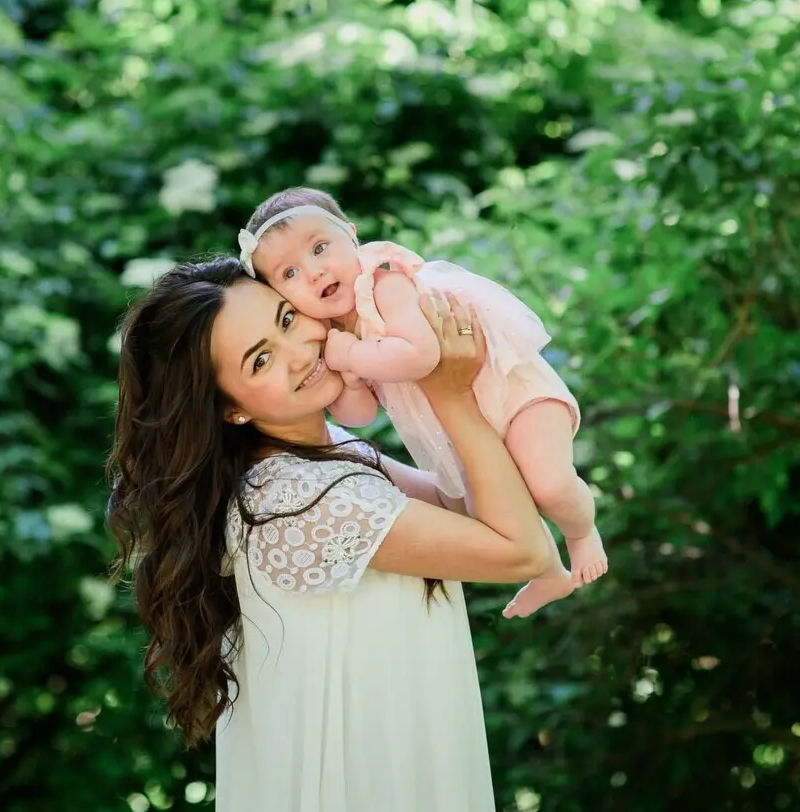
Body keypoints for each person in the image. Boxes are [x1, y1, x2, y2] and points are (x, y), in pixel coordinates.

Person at [106, 256, 556, 812]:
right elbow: (522, 551)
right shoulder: (292, 499)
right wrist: (450, 394)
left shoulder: (331, 456)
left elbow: (467, 505)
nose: (300, 353)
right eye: (261, 359)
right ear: (229, 409)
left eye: (288, 319)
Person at [237, 187, 608, 617]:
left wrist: (352, 356)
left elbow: (421, 355)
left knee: (548, 485)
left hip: (514, 396)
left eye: (320, 248)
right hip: (460, 425)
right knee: (488, 504)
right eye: (289, 274)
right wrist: (351, 380)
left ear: (352, 236)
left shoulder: (385, 283)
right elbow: (358, 415)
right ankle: (549, 576)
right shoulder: (334, 334)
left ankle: (581, 533)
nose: (315, 272)